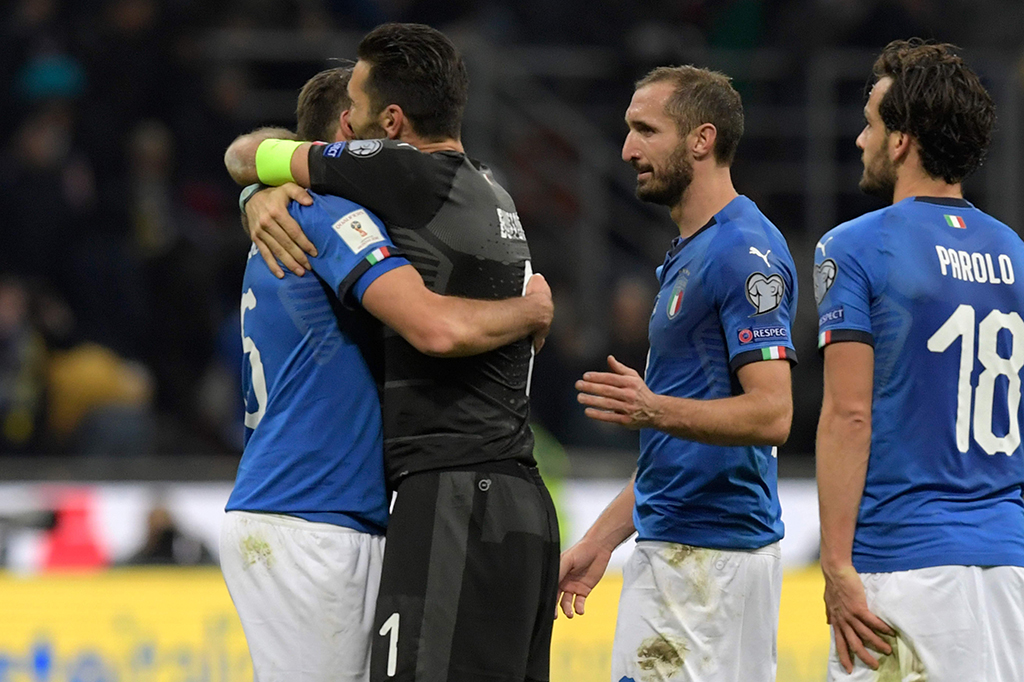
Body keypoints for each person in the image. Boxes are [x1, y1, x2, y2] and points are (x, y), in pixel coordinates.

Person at [223, 24, 560, 682]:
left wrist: (251, 193)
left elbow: (245, 158)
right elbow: (431, 324)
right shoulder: (324, 215)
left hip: (311, 505)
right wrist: (531, 311)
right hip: (314, 514)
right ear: (340, 147)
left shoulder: (304, 214)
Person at [557, 66, 797, 682]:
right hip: (693, 551)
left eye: (646, 130)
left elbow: (772, 414)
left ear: (701, 139)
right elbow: (681, 447)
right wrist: (602, 538)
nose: (627, 149)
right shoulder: (694, 251)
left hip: (706, 563)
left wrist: (652, 408)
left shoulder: (743, 252)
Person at [815, 39, 1024, 681]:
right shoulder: (1014, 252)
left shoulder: (853, 247)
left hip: (903, 566)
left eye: (871, 125)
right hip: (1010, 570)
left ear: (901, 140)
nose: (859, 140)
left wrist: (836, 567)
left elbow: (849, 416)